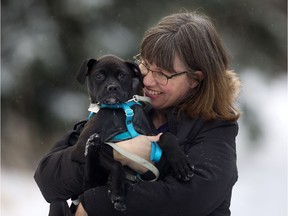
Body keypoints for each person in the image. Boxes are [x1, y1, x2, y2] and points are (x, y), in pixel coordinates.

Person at [34, 11, 241, 216]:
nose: (148, 81)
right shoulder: (124, 107)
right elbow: (48, 179)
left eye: (162, 73)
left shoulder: (215, 128)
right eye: (145, 64)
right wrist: (114, 153)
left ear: (195, 79)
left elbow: (189, 199)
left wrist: (94, 203)